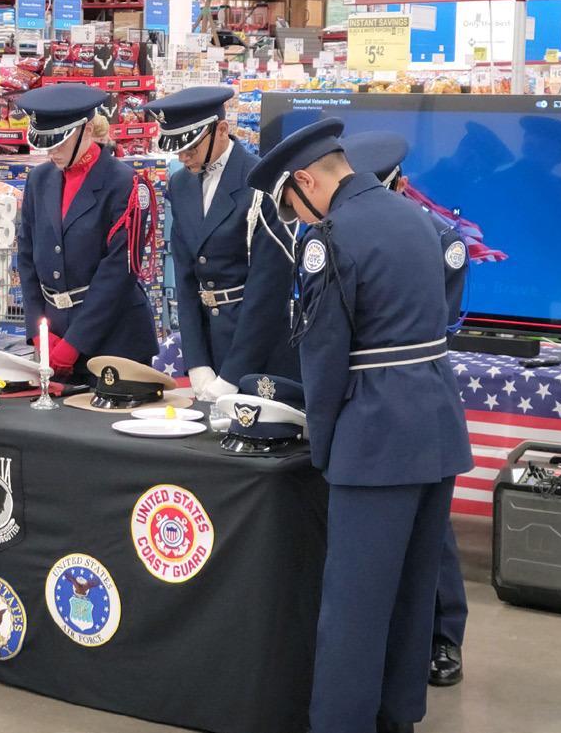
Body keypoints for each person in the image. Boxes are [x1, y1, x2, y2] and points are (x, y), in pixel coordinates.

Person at [248, 118, 473, 733]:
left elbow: (323, 358)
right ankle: (398, 714)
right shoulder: (416, 218)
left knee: (352, 606)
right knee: (410, 591)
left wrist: (322, 444)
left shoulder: (332, 238)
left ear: (303, 182)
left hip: (374, 439)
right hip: (436, 427)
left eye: (292, 207)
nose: (296, 220)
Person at [341, 131, 470, 688]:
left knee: (430, 532)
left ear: (394, 183)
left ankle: (443, 636)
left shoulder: (438, 238)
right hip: (360, 394)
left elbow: (432, 320)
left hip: (411, 391)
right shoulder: (339, 231)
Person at [143, 87, 298, 402]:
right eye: (179, 150)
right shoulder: (180, 183)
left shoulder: (261, 184)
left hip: (258, 345)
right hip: (209, 343)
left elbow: (269, 288)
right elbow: (185, 276)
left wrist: (233, 373)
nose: (183, 158)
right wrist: (197, 360)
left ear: (222, 130)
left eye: (191, 149)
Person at [15, 84, 158, 381]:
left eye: (60, 142)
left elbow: (119, 271)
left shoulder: (124, 183)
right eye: (46, 143)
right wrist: (38, 329)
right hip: (54, 331)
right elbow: (27, 256)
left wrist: (75, 342)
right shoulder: (39, 180)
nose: (52, 151)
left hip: (114, 337)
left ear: (88, 129)